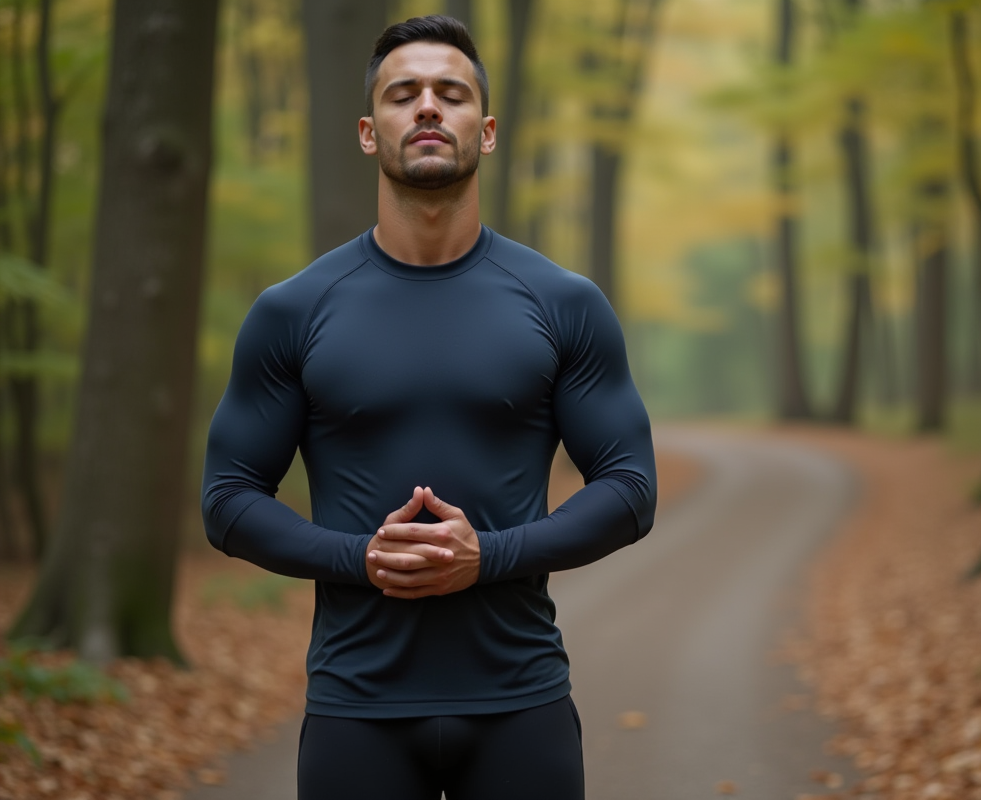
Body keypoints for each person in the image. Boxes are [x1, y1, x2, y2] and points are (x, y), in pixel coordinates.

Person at [201, 14, 656, 800]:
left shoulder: (563, 303)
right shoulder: (293, 311)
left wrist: (490, 557)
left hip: (522, 703)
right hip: (355, 710)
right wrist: (360, 559)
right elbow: (227, 499)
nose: (427, 107)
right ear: (368, 132)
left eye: (451, 92)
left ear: (486, 130)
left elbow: (630, 488)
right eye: (402, 93)